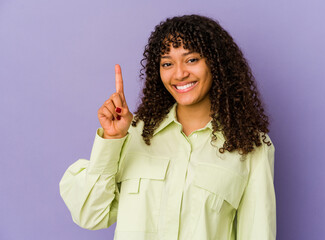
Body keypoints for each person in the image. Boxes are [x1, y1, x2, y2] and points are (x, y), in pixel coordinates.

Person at [59, 14, 276, 240]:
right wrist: (112, 139)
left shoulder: (252, 146)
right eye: (167, 63)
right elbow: (90, 216)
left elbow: (258, 233)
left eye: (191, 59)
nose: (179, 73)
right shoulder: (133, 133)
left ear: (216, 63)